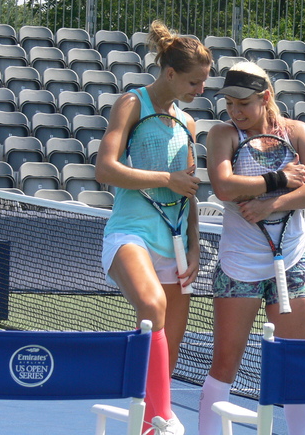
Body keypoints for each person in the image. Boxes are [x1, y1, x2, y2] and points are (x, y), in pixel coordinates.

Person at [197, 61, 305, 435]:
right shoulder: (222, 134)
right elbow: (224, 187)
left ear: (265, 97)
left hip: (291, 262)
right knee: (225, 364)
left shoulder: (297, 131)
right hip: (239, 266)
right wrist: (281, 179)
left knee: (298, 364)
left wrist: (270, 204)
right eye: (230, 103)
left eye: (243, 103)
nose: (235, 111)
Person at [95, 21, 212, 435]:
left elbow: (189, 191)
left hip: (176, 243)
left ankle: (148, 421)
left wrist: (196, 247)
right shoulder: (131, 103)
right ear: (170, 74)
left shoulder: (188, 124)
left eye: (203, 82)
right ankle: (162, 419)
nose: (200, 90)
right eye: (195, 82)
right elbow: (104, 169)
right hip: (130, 232)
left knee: (168, 352)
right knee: (151, 309)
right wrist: (165, 179)